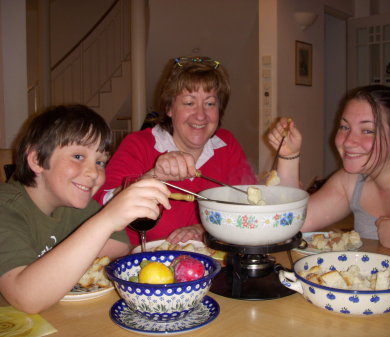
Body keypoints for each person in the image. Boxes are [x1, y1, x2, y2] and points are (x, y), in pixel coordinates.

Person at [0, 105, 171, 313]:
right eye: (78, 157)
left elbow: (118, 247)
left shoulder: (72, 202)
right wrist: (106, 219)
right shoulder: (6, 207)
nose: (93, 173)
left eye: (100, 162)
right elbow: (26, 298)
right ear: (37, 160)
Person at [268, 85, 390, 274]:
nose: (347, 141)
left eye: (367, 130)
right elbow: (287, 225)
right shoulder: (352, 179)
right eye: (345, 127)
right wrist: (288, 156)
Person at [94, 56, 257, 246]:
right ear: (169, 108)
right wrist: (152, 177)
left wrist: (203, 229)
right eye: (189, 103)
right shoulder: (138, 145)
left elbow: (248, 206)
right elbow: (101, 204)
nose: (201, 115)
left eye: (210, 103)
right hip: (144, 264)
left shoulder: (227, 144)